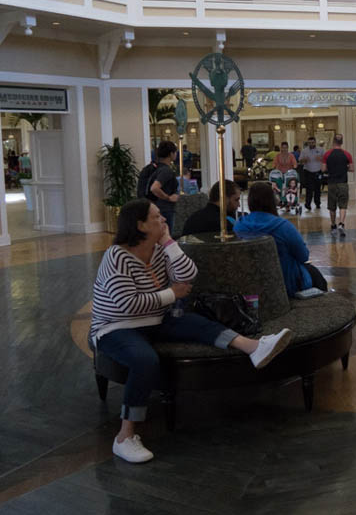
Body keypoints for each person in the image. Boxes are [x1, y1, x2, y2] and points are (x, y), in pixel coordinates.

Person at [90, 199, 293, 463]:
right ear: (139, 225)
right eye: (156, 217)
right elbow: (126, 304)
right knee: (144, 359)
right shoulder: (116, 256)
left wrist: (170, 245)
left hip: (154, 320)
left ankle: (253, 347)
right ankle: (125, 436)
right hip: (116, 327)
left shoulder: (159, 250)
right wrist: (171, 293)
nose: (163, 220)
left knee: (196, 323)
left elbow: (189, 273)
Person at [234, 182, 328, 296]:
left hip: (251, 281)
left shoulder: (239, 225)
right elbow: (303, 256)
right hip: (285, 281)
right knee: (316, 277)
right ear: (272, 200)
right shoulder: (282, 226)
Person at [322, 134, 353, 237]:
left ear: (333, 142)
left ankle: (333, 225)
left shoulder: (327, 154)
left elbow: (323, 169)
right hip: (343, 182)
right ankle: (341, 224)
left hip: (331, 183)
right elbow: (352, 169)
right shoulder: (347, 154)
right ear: (342, 142)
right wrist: (345, 168)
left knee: (332, 206)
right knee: (343, 204)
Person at [148, 141, 181, 235]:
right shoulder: (166, 171)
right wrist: (168, 198)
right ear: (171, 154)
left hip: (157, 206)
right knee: (166, 236)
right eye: (175, 152)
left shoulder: (156, 167)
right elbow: (154, 188)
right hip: (165, 209)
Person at [300, 135, 325, 211]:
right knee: (309, 189)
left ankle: (318, 204)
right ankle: (308, 204)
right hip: (308, 172)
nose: (311, 144)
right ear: (308, 143)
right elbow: (300, 161)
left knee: (318, 189)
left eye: (312, 142)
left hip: (318, 172)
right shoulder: (304, 150)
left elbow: (326, 160)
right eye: (309, 143)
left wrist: (320, 158)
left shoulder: (321, 150)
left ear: (315, 142)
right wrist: (304, 160)